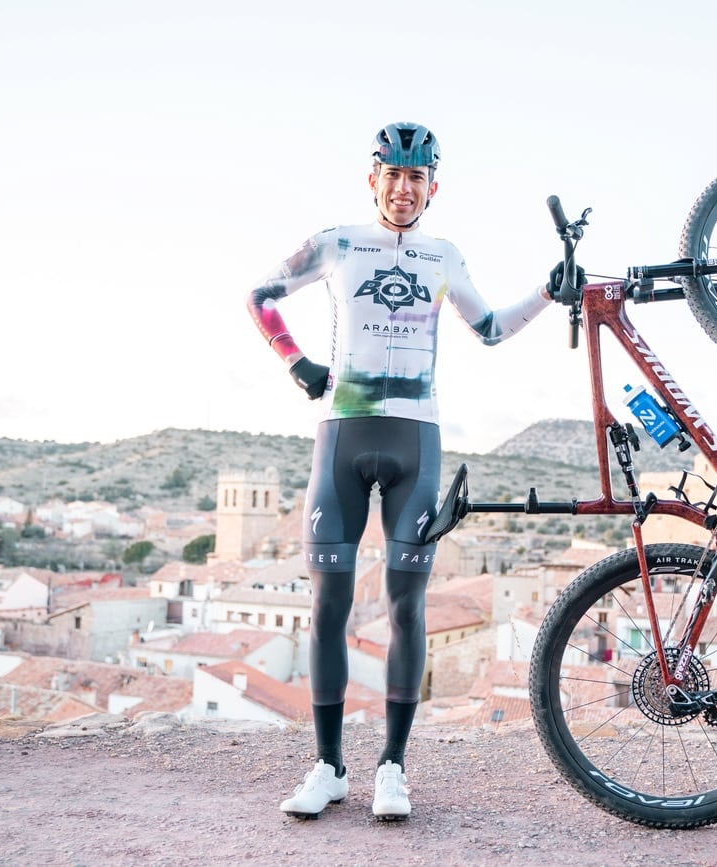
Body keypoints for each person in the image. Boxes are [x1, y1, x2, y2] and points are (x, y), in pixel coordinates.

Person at [246, 122, 581, 820]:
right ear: (373, 179)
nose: (404, 188)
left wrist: (547, 293)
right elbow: (261, 295)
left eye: (416, 178)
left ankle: (392, 768)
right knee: (329, 606)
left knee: (406, 606)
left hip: (415, 440)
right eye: (393, 175)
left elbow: (489, 329)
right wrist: (293, 360)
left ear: (433, 188)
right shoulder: (337, 244)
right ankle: (328, 767)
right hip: (342, 433)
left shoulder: (442, 255)